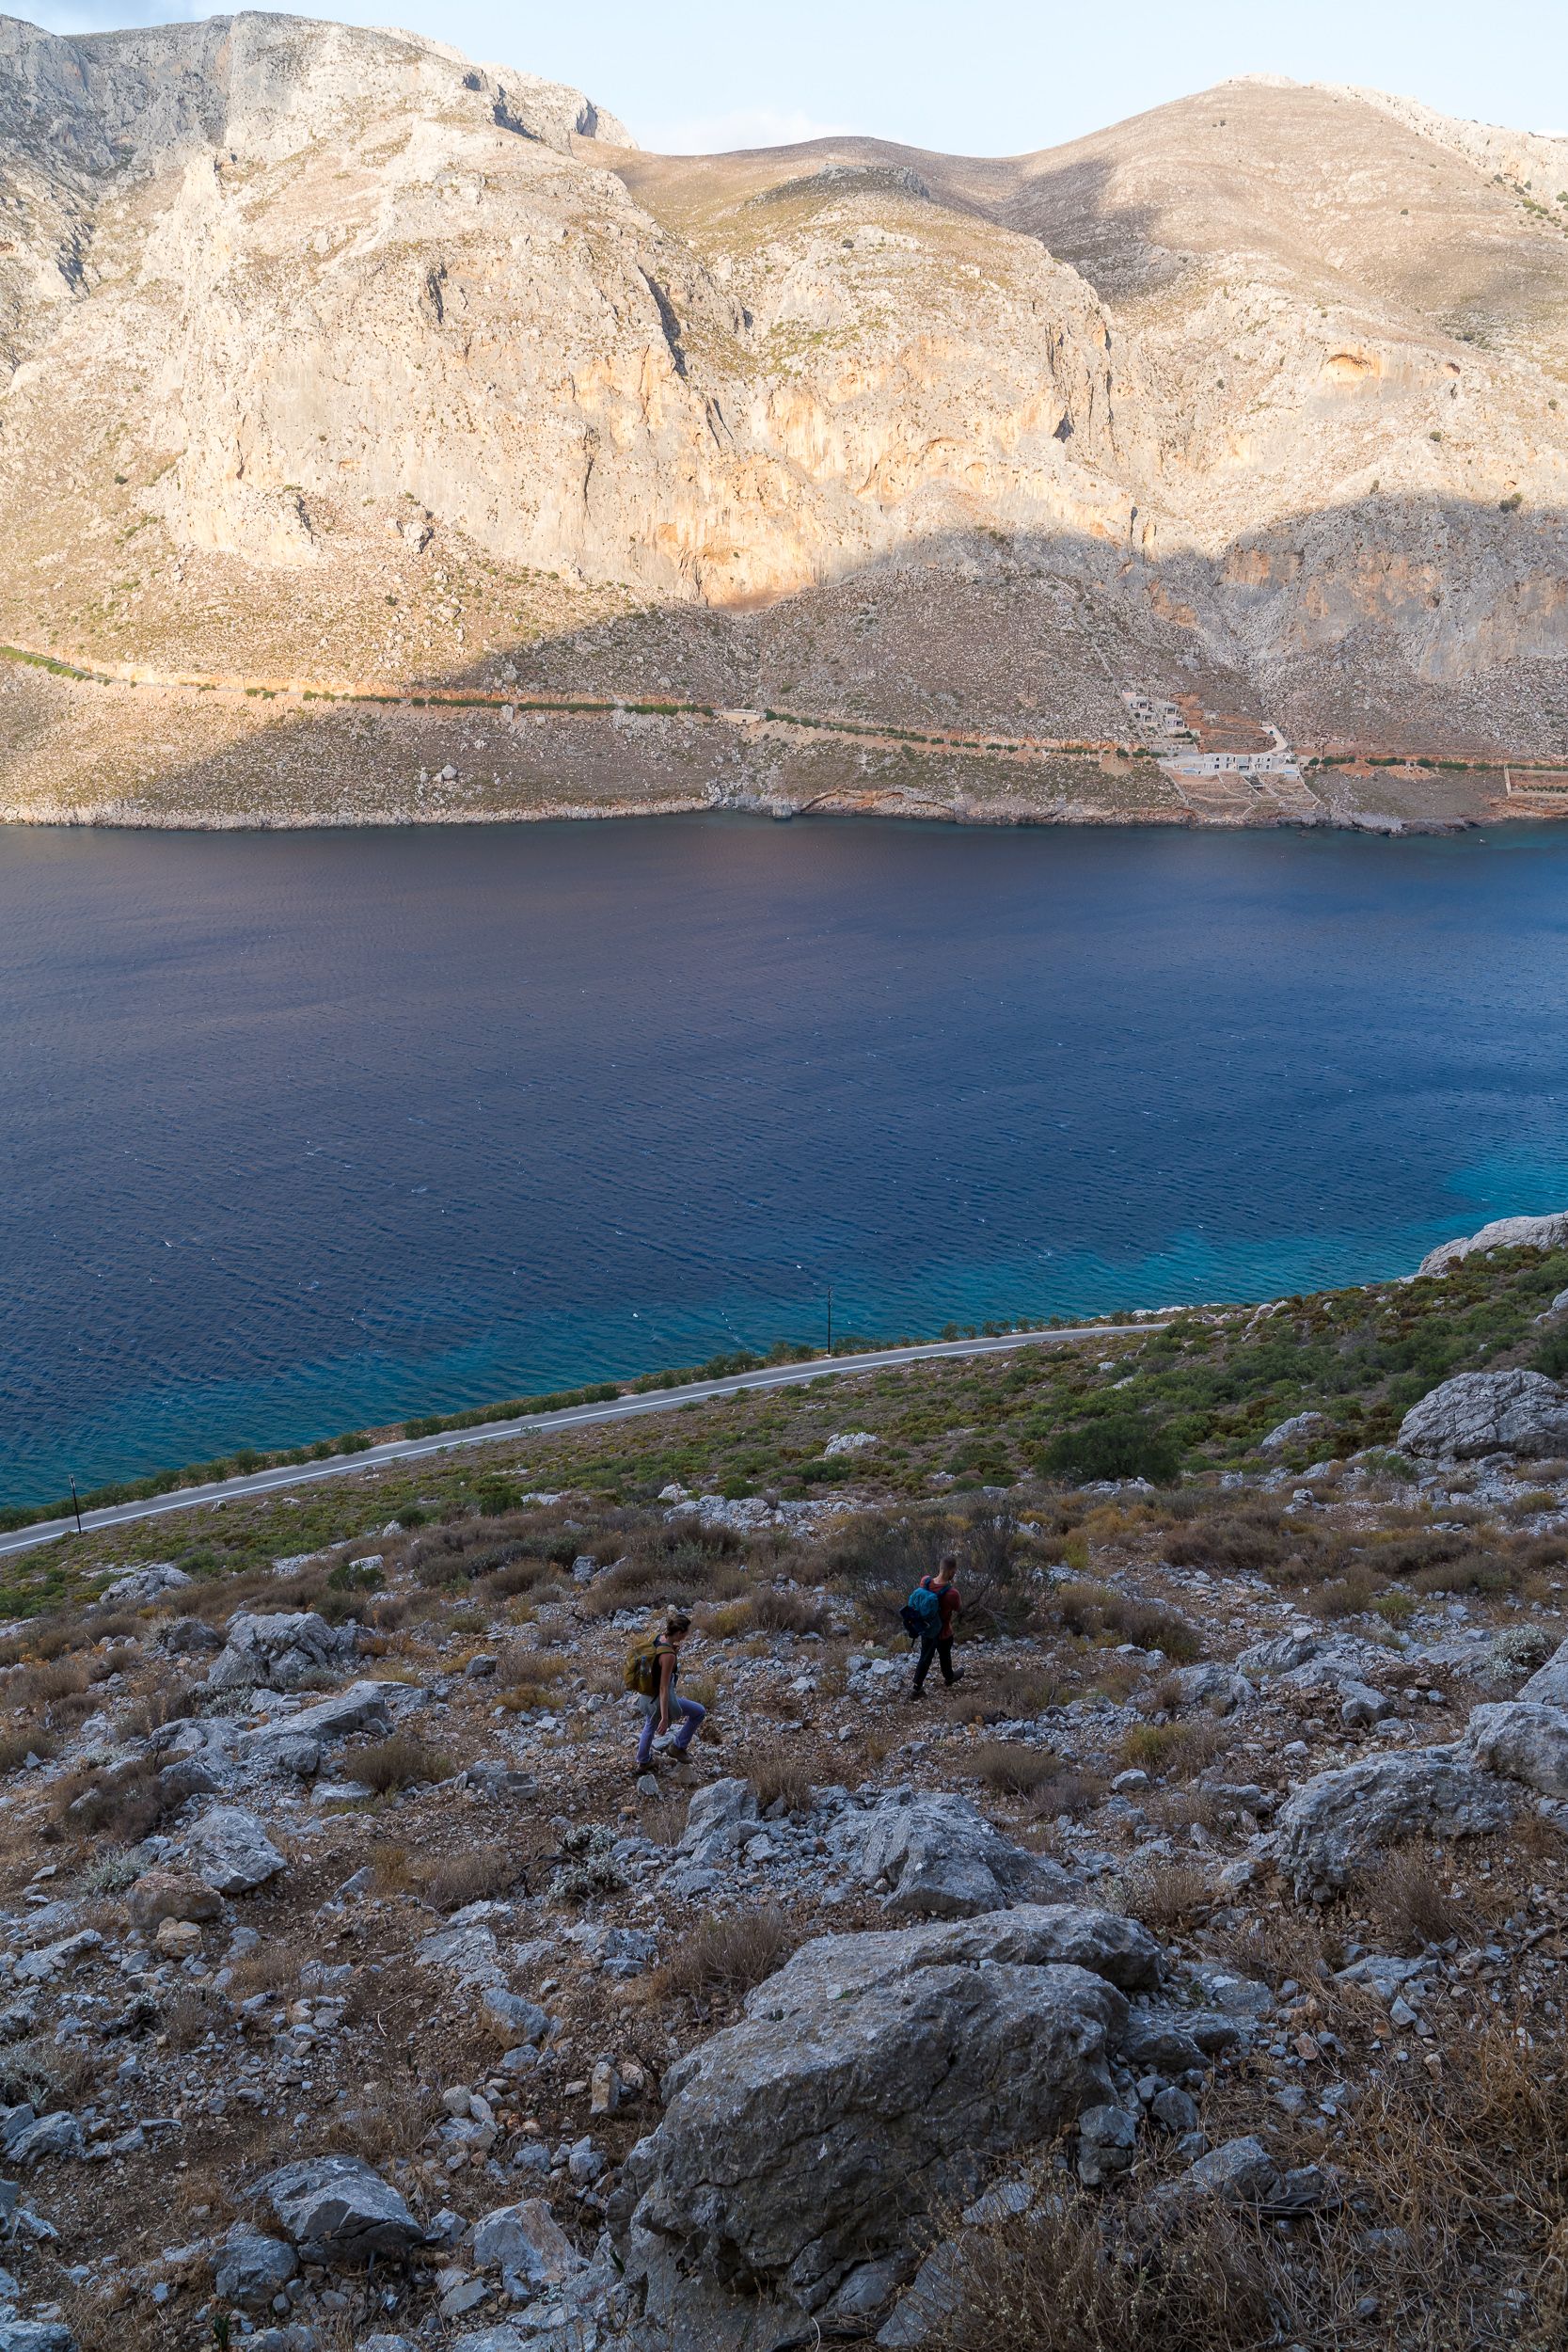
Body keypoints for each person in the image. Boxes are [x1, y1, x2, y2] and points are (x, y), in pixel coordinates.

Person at [635, 1610, 706, 1774]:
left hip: (647, 1695)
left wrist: (673, 1651)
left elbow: (655, 1664)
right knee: (699, 1712)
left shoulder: (659, 1638)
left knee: (649, 1725)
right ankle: (678, 1747)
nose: (687, 1636)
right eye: (686, 1633)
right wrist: (665, 1717)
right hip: (658, 1698)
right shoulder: (668, 1656)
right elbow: (664, 1687)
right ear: (680, 1632)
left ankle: (644, 1760)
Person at [908, 1555, 963, 1698]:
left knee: (925, 1657)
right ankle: (949, 1677)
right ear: (951, 1572)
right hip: (943, 1631)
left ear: (940, 1568)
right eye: (954, 1571)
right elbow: (958, 1608)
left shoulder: (925, 1581)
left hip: (926, 1629)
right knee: (945, 1656)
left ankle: (916, 1688)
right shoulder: (952, 1593)